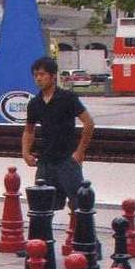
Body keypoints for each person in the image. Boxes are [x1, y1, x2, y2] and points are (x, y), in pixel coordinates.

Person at [22, 56, 94, 212]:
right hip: (45, 161)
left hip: (67, 160)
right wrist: (25, 153)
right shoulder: (35, 103)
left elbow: (88, 123)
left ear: (53, 76)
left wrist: (80, 152)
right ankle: (43, 236)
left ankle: (77, 235)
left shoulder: (68, 98)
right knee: (41, 205)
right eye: (35, 75)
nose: (38, 79)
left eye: (42, 74)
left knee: (78, 204)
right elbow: (29, 130)